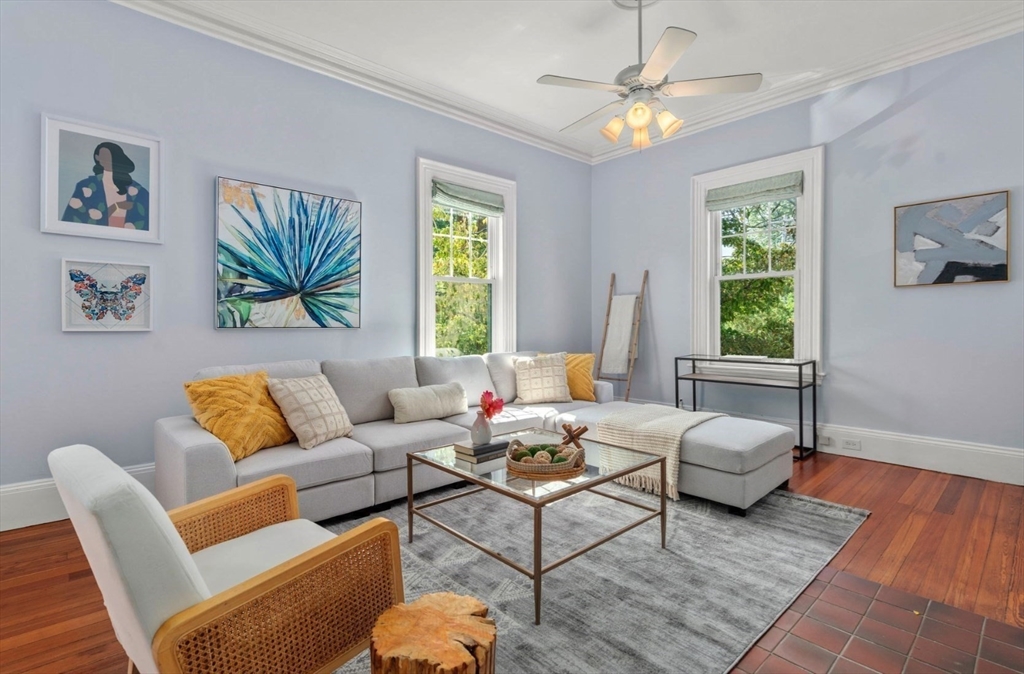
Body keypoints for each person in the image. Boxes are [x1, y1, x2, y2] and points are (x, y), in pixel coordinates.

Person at [62, 142, 149, 230]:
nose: (108, 159)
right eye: (104, 155)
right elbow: (75, 218)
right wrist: (116, 206)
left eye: (111, 156)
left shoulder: (137, 190)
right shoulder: (86, 186)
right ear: (97, 157)